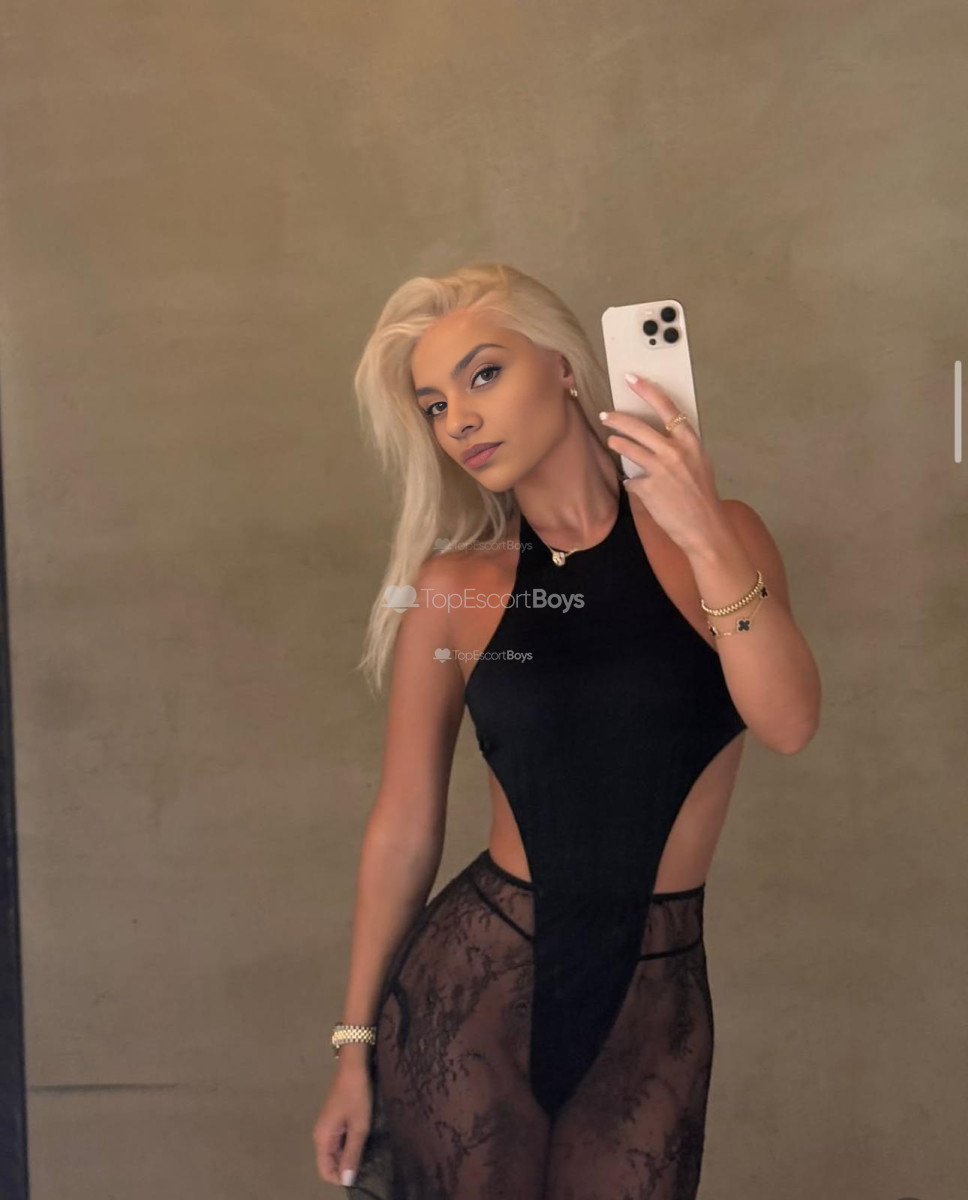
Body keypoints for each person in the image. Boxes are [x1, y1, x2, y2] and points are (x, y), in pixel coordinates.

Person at [313, 261, 821, 1198]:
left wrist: (701, 529)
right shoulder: (454, 590)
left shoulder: (721, 538)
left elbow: (788, 722)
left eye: (484, 374)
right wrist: (354, 1046)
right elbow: (405, 824)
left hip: (656, 1006)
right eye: (435, 405)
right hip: (478, 995)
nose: (459, 419)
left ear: (563, 367)